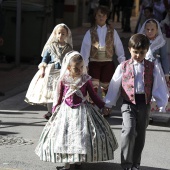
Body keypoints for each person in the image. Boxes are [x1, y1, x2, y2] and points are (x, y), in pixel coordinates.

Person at [35, 51, 118, 170]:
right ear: (68, 67)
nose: (79, 70)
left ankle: (78, 160)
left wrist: (102, 106)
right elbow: (58, 97)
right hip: (66, 111)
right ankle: (67, 163)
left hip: (82, 110)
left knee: (81, 136)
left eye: (81, 67)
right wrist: (54, 110)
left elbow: (93, 95)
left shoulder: (85, 79)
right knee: (65, 137)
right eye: (76, 68)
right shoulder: (63, 80)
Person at [103, 34, 168, 170]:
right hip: (128, 103)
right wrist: (108, 103)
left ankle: (135, 163)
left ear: (147, 50)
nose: (138, 55)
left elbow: (158, 84)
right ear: (129, 49)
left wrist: (161, 102)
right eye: (135, 52)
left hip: (144, 104)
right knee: (129, 130)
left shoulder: (152, 66)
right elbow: (115, 85)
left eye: (142, 52)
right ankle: (126, 163)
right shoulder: (123, 66)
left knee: (140, 133)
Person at [25, 23, 73, 120]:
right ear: (55, 34)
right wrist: (42, 69)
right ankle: (50, 111)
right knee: (51, 92)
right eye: (59, 33)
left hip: (62, 72)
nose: (60, 35)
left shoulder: (68, 48)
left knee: (61, 92)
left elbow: (70, 60)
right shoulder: (50, 47)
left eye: (63, 33)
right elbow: (44, 60)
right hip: (51, 72)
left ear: (67, 35)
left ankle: (60, 110)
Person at [80, 5, 125, 102]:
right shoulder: (90, 32)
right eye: (99, 15)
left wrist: (123, 62)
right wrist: (85, 65)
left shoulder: (112, 32)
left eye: (103, 15)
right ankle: (92, 108)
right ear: (95, 16)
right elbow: (85, 49)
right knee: (93, 87)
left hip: (108, 63)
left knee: (107, 87)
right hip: (94, 63)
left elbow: (119, 46)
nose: (101, 18)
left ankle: (106, 107)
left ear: (107, 17)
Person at [139, 19, 170, 112]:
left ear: (157, 30)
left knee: (156, 86)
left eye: (152, 29)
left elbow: (164, 57)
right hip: (142, 66)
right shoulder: (140, 39)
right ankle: (143, 107)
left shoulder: (160, 41)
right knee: (143, 86)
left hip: (156, 68)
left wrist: (166, 73)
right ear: (144, 29)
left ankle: (153, 108)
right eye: (147, 29)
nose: (150, 31)